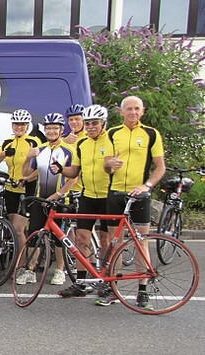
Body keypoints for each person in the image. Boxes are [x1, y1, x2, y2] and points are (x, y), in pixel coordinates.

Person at [99, 95, 166, 309]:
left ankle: (143, 290)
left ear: (143, 111)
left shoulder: (150, 134)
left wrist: (147, 186)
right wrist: (111, 165)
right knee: (114, 241)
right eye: (129, 109)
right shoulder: (111, 133)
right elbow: (105, 166)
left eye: (137, 109)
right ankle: (113, 288)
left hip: (140, 194)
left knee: (141, 241)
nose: (133, 113)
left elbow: (160, 167)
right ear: (121, 112)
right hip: (116, 193)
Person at [56, 104, 113, 297]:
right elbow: (75, 171)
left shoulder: (112, 140)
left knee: (106, 240)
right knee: (81, 238)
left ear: (103, 123)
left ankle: (105, 281)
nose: (90, 127)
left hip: (108, 196)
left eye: (94, 123)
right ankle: (81, 281)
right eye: (87, 123)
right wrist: (61, 169)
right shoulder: (82, 144)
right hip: (88, 196)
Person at [18, 113, 76, 286]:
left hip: (60, 200)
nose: (51, 131)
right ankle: (30, 270)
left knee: (59, 238)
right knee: (34, 234)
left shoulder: (68, 151)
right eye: (48, 128)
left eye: (54, 128)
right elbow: (27, 173)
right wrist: (28, 157)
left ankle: (60, 270)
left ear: (61, 130)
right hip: (40, 198)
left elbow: (74, 177)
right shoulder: (40, 150)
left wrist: (58, 195)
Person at [0, 109, 41, 262]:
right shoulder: (8, 142)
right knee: (13, 229)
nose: (19, 127)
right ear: (12, 125)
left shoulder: (33, 142)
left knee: (18, 229)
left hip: (27, 189)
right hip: (10, 189)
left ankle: (21, 264)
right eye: (16, 124)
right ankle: (22, 259)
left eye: (22, 124)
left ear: (27, 126)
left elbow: (40, 168)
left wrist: (27, 178)